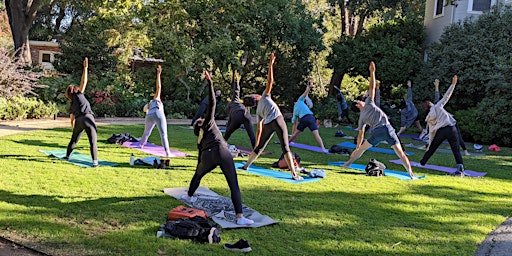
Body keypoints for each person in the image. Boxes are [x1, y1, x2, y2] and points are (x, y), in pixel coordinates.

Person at [183, 70, 254, 225]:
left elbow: (199, 162)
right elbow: (213, 103)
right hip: (222, 152)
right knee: (233, 184)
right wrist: (210, 82)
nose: (201, 118)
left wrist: (200, 170)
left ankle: (188, 196)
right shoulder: (208, 123)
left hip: (208, 156)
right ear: (201, 123)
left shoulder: (200, 138)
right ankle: (240, 217)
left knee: (198, 175)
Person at [343, 61, 417, 179]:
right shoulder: (368, 103)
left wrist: (358, 147)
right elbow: (372, 87)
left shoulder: (361, 118)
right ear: (358, 105)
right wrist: (372, 72)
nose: (362, 100)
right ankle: (411, 174)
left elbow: (360, 135)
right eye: (359, 101)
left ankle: (347, 164)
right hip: (387, 130)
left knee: (362, 149)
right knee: (401, 153)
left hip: (377, 133)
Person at [240, 53, 303, 180]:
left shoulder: (258, 111)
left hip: (268, 124)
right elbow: (270, 81)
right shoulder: (264, 97)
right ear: (255, 97)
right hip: (278, 120)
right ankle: (294, 174)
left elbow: (259, 129)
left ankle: (246, 166)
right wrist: (271, 64)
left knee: (259, 148)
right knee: (285, 147)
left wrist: (257, 144)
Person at [420, 75, 465, 176]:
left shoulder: (429, 118)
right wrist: (453, 85)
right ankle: (460, 166)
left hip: (441, 131)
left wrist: (429, 146)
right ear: (431, 105)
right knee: (455, 149)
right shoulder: (438, 106)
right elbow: (446, 97)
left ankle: (423, 161)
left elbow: (431, 133)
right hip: (451, 128)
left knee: (433, 147)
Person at [64, 57, 99, 167]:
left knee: (74, 140)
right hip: (88, 118)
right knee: (93, 141)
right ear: (76, 90)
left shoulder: (72, 103)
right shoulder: (79, 94)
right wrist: (85, 68)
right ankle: (95, 162)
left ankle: (67, 156)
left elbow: (72, 118)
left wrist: (73, 127)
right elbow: (84, 82)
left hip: (79, 121)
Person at [139, 65, 172, 157]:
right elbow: (159, 87)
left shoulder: (149, 104)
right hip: (158, 113)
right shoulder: (156, 99)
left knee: (146, 132)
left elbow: (144, 110)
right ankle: (167, 152)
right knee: (163, 134)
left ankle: (141, 145)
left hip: (149, 116)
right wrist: (158, 74)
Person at [289, 79, 328, 153]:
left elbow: (295, 123)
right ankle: (323, 148)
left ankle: (287, 143)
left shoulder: (295, 110)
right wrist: (309, 87)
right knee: (316, 134)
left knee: (295, 134)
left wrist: (293, 134)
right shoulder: (300, 100)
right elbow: (305, 93)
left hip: (304, 119)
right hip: (311, 117)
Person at [433, 79, 470, 156]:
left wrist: (437, 86)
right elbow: (438, 97)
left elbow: (438, 96)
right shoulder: (436, 106)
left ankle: (465, 150)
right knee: (436, 136)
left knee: (458, 137)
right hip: (446, 123)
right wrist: (436, 86)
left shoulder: (439, 105)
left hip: (451, 122)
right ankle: (427, 147)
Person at [223, 70, 256, 148]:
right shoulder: (235, 100)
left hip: (237, 116)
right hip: (245, 115)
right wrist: (236, 79)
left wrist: (236, 79)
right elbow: (237, 90)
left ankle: (221, 144)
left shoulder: (232, 106)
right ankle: (256, 149)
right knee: (251, 133)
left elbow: (229, 127)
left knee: (228, 133)